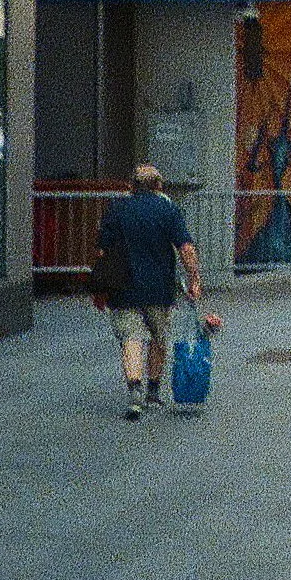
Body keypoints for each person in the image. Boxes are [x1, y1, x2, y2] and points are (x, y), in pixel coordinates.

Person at [94, 163, 206, 418]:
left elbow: (102, 251)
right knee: (159, 337)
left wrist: (99, 288)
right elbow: (186, 248)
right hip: (160, 287)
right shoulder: (167, 208)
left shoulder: (116, 209)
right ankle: (153, 392)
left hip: (122, 286)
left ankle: (135, 391)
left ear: (131, 186)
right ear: (159, 186)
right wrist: (194, 279)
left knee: (131, 338)